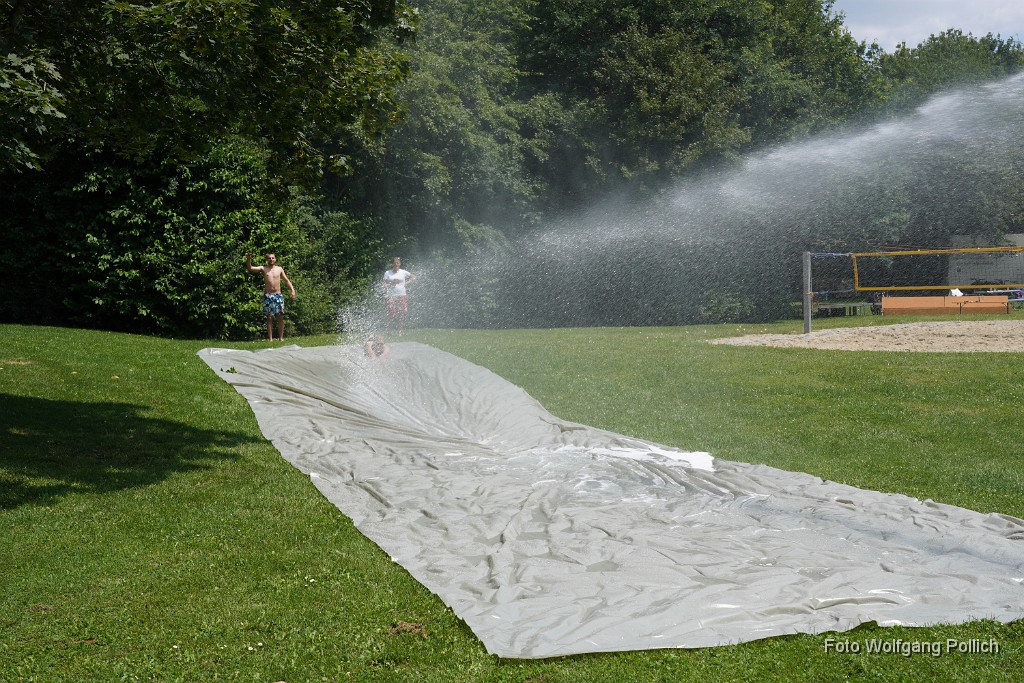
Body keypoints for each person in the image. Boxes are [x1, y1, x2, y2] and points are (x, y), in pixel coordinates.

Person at [246, 251, 296, 341]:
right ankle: (270, 339)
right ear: (267, 259)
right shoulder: (263, 268)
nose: (271, 259)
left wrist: (292, 290)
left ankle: (281, 338)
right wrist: (249, 259)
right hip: (268, 296)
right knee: (269, 318)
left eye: (273, 258)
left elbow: (286, 280)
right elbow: (250, 268)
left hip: (278, 295)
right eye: (269, 258)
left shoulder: (279, 269)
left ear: (275, 259)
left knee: (280, 317)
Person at [383, 256, 414, 335]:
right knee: (390, 313)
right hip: (391, 295)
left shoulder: (403, 272)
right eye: (394, 263)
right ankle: (388, 331)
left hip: (401, 294)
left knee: (401, 314)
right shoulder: (387, 273)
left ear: (399, 264)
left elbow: (413, 277)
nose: (396, 264)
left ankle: (399, 331)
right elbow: (384, 284)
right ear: (392, 263)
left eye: (397, 263)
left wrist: (406, 283)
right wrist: (391, 283)